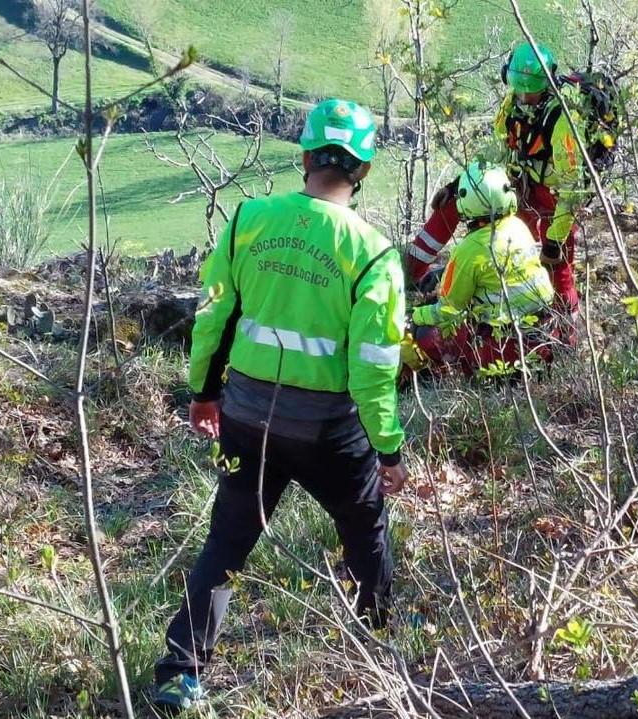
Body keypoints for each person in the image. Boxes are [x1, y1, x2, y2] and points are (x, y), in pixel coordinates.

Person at [152, 98, 408, 712]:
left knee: (228, 541)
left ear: (305, 157)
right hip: (330, 431)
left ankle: (181, 673)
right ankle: (380, 639)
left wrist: (203, 394)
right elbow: (374, 369)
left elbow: (214, 317)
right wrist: (388, 449)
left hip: (246, 418)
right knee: (364, 527)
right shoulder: (373, 253)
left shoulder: (249, 219)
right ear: (363, 169)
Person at [405, 41, 583, 337]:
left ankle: (567, 335)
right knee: (453, 203)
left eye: (530, 90)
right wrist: (461, 183)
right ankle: (410, 271)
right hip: (517, 185)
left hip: (552, 198)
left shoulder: (561, 120)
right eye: (519, 88)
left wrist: (554, 239)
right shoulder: (512, 104)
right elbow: (496, 150)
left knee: (558, 266)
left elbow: (572, 188)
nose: (524, 96)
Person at [403, 161, 555, 376]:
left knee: (425, 332)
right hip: (543, 338)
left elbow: (448, 311)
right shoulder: (519, 226)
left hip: (503, 351)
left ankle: (433, 376)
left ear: (465, 201)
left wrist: (415, 316)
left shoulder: (469, 249)